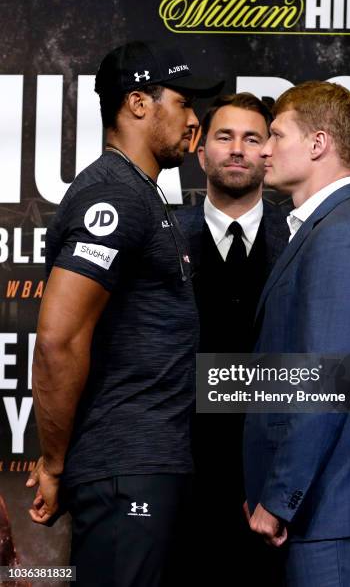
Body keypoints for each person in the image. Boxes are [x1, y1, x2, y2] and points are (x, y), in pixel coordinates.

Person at [26, 40, 223, 587]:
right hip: (125, 469)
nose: (194, 122)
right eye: (183, 104)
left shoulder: (142, 192)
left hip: (143, 465)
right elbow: (58, 341)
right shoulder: (112, 195)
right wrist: (54, 463)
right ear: (138, 104)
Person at [243, 81, 350, 586]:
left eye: (276, 135)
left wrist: (279, 497)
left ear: (318, 144)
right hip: (325, 501)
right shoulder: (335, 227)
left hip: (332, 504)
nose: (264, 148)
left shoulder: (343, 235)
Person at [175, 93, 289, 586]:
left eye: (252, 138)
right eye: (224, 137)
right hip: (180, 484)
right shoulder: (162, 238)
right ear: (201, 152)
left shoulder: (302, 239)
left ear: (269, 153)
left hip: (274, 490)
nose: (238, 149)